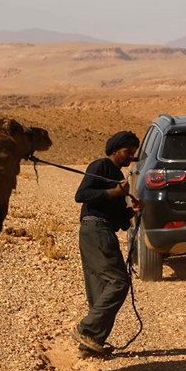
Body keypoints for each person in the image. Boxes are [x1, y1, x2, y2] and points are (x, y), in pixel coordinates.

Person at [70, 131, 144, 357]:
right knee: (119, 282)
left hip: (101, 232)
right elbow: (81, 195)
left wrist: (132, 210)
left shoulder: (117, 175)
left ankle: (90, 344)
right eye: (127, 152)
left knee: (99, 288)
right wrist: (113, 191)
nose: (130, 156)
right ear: (115, 149)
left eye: (133, 153)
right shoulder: (101, 166)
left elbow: (120, 220)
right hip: (96, 230)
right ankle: (86, 329)